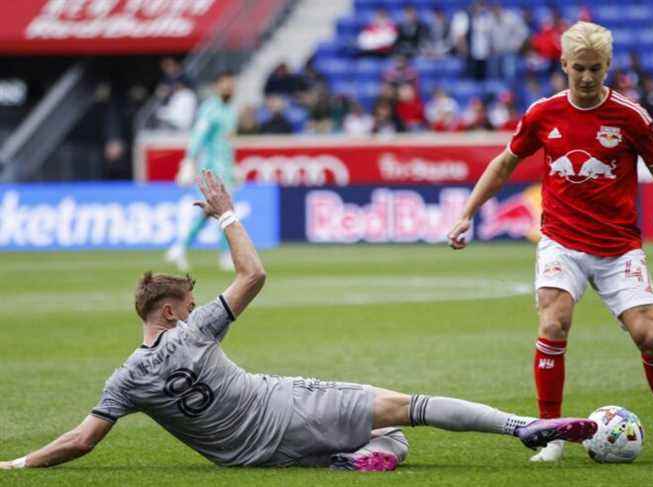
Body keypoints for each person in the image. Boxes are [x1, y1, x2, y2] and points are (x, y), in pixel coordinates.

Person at [0, 171, 597, 472]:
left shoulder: (126, 381)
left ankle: (361, 458)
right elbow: (254, 275)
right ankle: (523, 426)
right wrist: (228, 214)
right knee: (407, 407)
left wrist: (19, 462)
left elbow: (82, 441)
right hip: (287, 406)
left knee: (393, 442)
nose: (192, 303)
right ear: (170, 311)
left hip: (254, 457)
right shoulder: (195, 330)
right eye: (187, 297)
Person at [447, 21, 653, 463]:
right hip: (561, 242)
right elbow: (504, 164)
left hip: (619, 247)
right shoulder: (544, 113)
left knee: (650, 338)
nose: (586, 77)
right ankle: (553, 438)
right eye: (578, 68)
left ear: (608, 66)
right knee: (552, 325)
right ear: (563, 65)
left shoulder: (630, 117)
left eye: (595, 68)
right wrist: (467, 214)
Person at [165, 72, 239, 272]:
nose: (229, 88)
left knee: (210, 213)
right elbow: (198, 136)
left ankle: (180, 247)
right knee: (225, 210)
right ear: (217, 86)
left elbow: (228, 142)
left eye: (231, 84)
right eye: (226, 84)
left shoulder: (230, 111)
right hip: (211, 169)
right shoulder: (210, 109)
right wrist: (188, 160)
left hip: (224, 168)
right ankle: (225, 255)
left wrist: (234, 167)